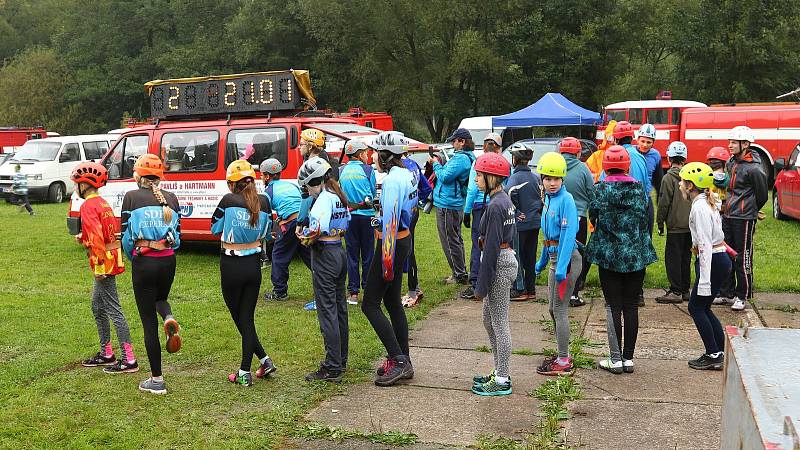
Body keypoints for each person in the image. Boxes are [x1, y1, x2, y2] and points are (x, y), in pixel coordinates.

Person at [585, 146, 657, 375]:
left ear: (605, 166)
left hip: (609, 255)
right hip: (636, 255)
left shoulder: (600, 190)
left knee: (612, 306)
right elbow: (646, 217)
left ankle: (615, 359)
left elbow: (593, 216)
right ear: (627, 165)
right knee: (631, 306)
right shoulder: (639, 189)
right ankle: (628, 358)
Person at [211, 160, 276, 387]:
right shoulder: (265, 201)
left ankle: (244, 371)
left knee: (241, 318)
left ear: (232, 184)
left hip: (231, 264)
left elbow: (214, 228)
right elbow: (269, 233)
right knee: (246, 317)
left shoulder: (228, 201)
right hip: (253, 265)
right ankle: (264, 360)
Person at [121, 154, 182, 395]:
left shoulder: (131, 197)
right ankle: (168, 317)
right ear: (160, 176)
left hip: (144, 261)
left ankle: (157, 380)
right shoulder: (172, 198)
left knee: (148, 324)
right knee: (160, 300)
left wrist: (133, 257)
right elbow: (178, 236)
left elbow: (125, 235)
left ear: (138, 175)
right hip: (168, 260)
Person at [362, 131, 417, 387]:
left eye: (376, 152)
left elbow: (391, 223)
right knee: (393, 301)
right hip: (402, 240)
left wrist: (386, 260)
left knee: (369, 304)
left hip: (391, 243)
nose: (373, 156)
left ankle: (399, 359)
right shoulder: (407, 173)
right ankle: (403, 359)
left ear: (385, 156)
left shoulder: (394, 180)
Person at [72, 162, 138, 374]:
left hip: (103, 262)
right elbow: (104, 233)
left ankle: (129, 359)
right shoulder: (103, 203)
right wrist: (84, 238)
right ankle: (106, 353)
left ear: (85, 184)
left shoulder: (87, 206)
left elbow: (97, 238)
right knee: (97, 307)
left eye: (77, 184)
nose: (75, 187)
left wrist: (99, 267)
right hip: (111, 257)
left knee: (113, 309)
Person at [296, 157, 350, 382]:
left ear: (314, 181)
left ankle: (332, 366)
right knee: (339, 308)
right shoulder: (338, 196)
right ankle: (341, 359)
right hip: (339, 250)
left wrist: (303, 236)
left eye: (307, 185)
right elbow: (345, 223)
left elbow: (316, 229)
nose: (307, 190)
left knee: (327, 311)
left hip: (325, 255)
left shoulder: (322, 200)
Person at [470, 152, 517, 395]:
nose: (476, 178)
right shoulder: (502, 200)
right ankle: (498, 369)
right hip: (503, 259)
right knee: (489, 321)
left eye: (479, 174)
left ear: (492, 177)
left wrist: (480, 285)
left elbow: (490, 249)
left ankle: (502, 379)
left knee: (499, 323)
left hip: (499, 263)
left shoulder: (498, 205)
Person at [679, 162, 732, 370]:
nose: (680, 185)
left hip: (713, 260)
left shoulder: (700, 207)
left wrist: (704, 279)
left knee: (696, 307)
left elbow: (704, 244)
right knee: (703, 306)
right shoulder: (705, 203)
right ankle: (720, 349)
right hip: (719, 259)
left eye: (682, 181)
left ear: (691, 185)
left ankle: (713, 354)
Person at [533, 153, 581, 376]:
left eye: (556, 179)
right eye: (547, 178)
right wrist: (542, 261)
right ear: (542, 178)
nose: (552, 183)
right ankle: (562, 352)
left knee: (560, 310)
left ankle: (564, 360)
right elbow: (549, 235)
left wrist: (561, 267)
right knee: (552, 309)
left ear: (563, 179)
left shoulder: (566, 200)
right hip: (554, 261)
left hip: (568, 261)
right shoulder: (548, 199)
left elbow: (568, 235)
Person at [719, 126, 768, 311]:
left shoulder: (754, 169)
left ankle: (743, 295)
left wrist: (751, 210)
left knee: (742, 257)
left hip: (744, 218)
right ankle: (726, 293)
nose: (730, 145)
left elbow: (762, 195)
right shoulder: (731, 162)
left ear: (745, 144)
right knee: (726, 254)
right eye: (729, 141)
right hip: (728, 215)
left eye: (733, 142)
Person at [260, 158, 312, 301]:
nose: (260, 177)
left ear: (267, 176)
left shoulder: (268, 191)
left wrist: (268, 234)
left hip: (289, 225)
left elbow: (266, 215)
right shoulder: (292, 185)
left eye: (262, 174)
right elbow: (300, 203)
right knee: (309, 255)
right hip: (304, 221)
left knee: (279, 257)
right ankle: (326, 282)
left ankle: (280, 292)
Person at [429, 127, 475, 285]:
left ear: (462, 142)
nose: (452, 144)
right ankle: (460, 271)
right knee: (455, 238)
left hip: (449, 204)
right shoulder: (464, 157)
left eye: (454, 141)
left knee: (450, 240)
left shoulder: (461, 159)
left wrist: (436, 164)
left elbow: (446, 177)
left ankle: (459, 274)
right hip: (453, 203)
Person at [462, 132, 505, 300]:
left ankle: (475, 282)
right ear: (499, 148)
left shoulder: (478, 162)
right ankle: (494, 280)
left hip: (480, 207)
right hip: (497, 203)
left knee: (478, 243)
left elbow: (473, 189)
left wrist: (466, 211)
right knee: (496, 243)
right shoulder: (503, 163)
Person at [339, 140, 377, 305]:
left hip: (350, 217)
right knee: (368, 254)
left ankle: (353, 293)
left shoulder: (341, 170)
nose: (367, 156)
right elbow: (374, 192)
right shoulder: (368, 170)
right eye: (366, 153)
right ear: (359, 154)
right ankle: (368, 289)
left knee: (352, 254)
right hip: (367, 216)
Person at [655, 141, 693, 304]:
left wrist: (660, 222)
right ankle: (685, 290)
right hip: (690, 226)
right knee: (686, 258)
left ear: (669, 158)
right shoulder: (690, 177)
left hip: (675, 226)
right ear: (684, 158)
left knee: (673, 259)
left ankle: (675, 290)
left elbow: (664, 202)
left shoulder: (668, 178)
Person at [504, 143, 542, 301]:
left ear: (515, 159)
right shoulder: (536, 177)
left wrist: (518, 213)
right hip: (535, 223)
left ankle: (519, 289)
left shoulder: (514, 179)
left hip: (520, 225)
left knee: (517, 256)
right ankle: (531, 288)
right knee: (530, 256)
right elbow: (541, 199)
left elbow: (508, 200)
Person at [560, 137, 594, 307]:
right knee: (576, 256)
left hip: (558, 218)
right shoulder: (583, 168)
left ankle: (559, 292)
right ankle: (573, 294)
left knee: (560, 255)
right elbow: (592, 192)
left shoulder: (557, 167)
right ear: (578, 152)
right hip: (579, 218)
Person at [401, 149, 432, 308]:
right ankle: (413, 288)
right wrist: (417, 200)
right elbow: (426, 188)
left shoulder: (399, 168)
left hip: (404, 213)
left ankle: (414, 290)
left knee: (405, 250)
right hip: (413, 211)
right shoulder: (413, 164)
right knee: (408, 249)